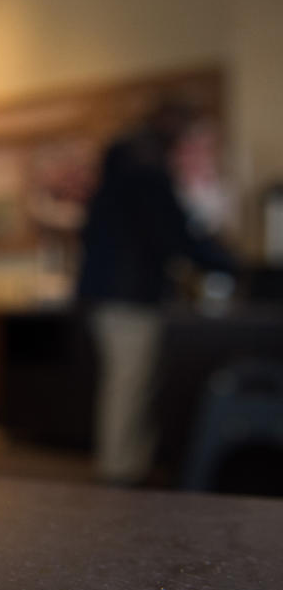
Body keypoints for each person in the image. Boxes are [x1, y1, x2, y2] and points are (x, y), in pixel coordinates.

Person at [77, 101, 236, 485]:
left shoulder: (123, 169)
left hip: (111, 293)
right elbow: (174, 234)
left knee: (129, 382)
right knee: (129, 384)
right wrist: (228, 263)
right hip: (127, 295)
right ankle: (119, 473)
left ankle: (127, 465)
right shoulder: (146, 172)